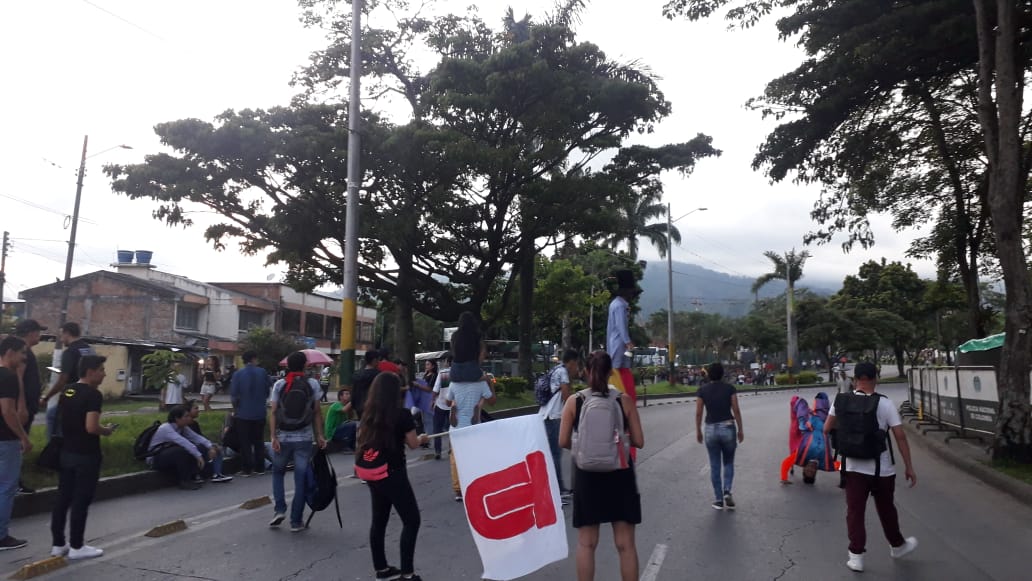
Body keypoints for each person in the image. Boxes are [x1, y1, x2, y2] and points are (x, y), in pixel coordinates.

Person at [824, 362, 918, 573]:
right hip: (881, 468)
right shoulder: (884, 404)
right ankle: (897, 546)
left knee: (855, 511)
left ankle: (856, 556)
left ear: (855, 379)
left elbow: (826, 428)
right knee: (886, 509)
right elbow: (900, 436)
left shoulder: (841, 401)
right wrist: (909, 466)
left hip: (852, 467)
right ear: (876, 378)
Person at [558, 351, 644, 581]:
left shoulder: (574, 401)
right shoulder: (623, 400)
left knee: (587, 543)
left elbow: (563, 440)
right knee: (625, 545)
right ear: (610, 373)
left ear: (586, 372)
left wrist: (584, 449)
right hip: (620, 475)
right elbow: (639, 441)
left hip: (586, 476)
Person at [358, 372, 429, 581]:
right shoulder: (402, 415)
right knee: (411, 520)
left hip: (372, 472)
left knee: (379, 520)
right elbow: (414, 443)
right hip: (393, 472)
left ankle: (381, 569)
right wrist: (422, 438)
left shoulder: (367, 413)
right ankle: (407, 574)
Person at [50, 355, 116, 560]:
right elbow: (91, 427)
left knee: (63, 498)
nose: (104, 373)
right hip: (86, 454)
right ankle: (78, 546)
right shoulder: (93, 395)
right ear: (90, 371)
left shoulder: (67, 390)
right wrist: (106, 431)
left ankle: (58, 544)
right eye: (102, 369)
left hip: (66, 452)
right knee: (81, 500)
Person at [268, 351, 327, 532]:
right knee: (300, 479)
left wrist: (273, 436)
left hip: (283, 437)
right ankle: (296, 521)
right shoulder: (312, 384)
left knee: (278, 473)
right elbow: (317, 412)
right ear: (305, 365)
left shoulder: (279, 384)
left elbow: (273, 412)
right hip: (304, 439)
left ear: (287, 366)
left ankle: (279, 509)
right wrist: (319, 435)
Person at [445, 345, 495, 502]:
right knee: (474, 456)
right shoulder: (480, 384)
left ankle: (458, 489)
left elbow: (447, 402)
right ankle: (473, 484)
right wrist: (489, 382)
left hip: (456, 426)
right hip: (474, 427)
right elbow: (492, 401)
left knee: (455, 458)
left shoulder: (454, 384)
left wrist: (453, 402)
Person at [695, 362, 744, 510]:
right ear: (722, 374)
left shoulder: (702, 390)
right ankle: (727, 490)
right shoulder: (730, 389)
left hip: (710, 429)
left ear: (709, 375)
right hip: (728, 427)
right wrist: (740, 429)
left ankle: (718, 499)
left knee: (715, 465)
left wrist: (698, 430)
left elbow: (698, 412)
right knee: (728, 462)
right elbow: (736, 409)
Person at [149, 406, 232, 489]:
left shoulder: (183, 427)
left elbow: (197, 437)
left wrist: (210, 447)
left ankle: (196, 474)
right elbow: (183, 442)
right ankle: (184, 481)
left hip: (169, 454)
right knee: (181, 451)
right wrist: (198, 456)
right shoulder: (166, 428)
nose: (189, 418)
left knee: (200, 447)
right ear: (177, 418)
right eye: (186, 416)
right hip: (156, 458)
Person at [0, 336, 31, 551]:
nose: (24, 358)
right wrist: (23, 437)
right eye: (22, 353)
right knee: (6, 487)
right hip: (6, 440)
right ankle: (1, 536)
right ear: (10, 351)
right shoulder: (8, 377)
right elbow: (8, 412)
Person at [40, 322, 94, 440]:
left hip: (71, 394)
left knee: (53, 417)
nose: (61, 339)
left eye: (61, 335)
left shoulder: (69, 352)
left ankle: (53, 450)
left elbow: (63, 379)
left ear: (67, 333)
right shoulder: (88, 349)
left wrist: (46, 397)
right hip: (89, 394)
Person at [539, 348, 579, 501]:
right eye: (576, 365)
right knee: (555, 454)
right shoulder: (563, 373)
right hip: (553, 416)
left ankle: (557, 488)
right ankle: (558, 490)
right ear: (571, 362)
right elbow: (566, 396)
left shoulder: (556, 369)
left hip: (548, 415)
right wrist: (574, 413)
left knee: (553, 453)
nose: (576, 368)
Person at [14, 319, 46, 495]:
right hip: (22, 408)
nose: (39, 335)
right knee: (18, 444)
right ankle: (15, 481)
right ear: (31, 332)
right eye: (38, 331)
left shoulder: (23, 350)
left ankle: (15, 480)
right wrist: (21, 406)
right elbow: (18, 377)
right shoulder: (22, 350)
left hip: (27, 405)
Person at [230, 351, 270, 477]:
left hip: (243, 413)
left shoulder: (237, 374)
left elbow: (234, 396)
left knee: (245, 442)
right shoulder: (263, 372)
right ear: (254, 359)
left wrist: (236, 409)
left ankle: (247, 469)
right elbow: (267, 391)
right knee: (259, 440)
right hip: (259, 412)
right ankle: (260, 468)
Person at [607, 270, 640, 404]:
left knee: (624, 368)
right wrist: (628, 342)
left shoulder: (617, 304)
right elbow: (621, 326)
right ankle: (621, 398)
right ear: (626, 291)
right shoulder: (620, 306)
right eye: (631, 292)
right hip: (619, 345)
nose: (632, 295)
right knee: (618, 370)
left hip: (618, 344)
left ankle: (625, 396)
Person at [794, 392, 834, 484]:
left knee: (799, 402)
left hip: (808, 424)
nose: (811, 469)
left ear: (804, 469)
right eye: (812, 472)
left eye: (808, 471)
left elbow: (786, 462)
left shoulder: (801, 455)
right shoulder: (825, 460)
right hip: (823, 421)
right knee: (822, 397)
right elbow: (841, 466)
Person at [448, 312, 486, 383]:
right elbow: (483, 352)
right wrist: (477, 365)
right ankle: (493, 394)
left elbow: (453, 351)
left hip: (455, 372)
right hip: (471, 369)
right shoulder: (477, 334)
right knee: (488, 379)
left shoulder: (454, 335)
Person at [779, 396, 808, 484]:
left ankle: (793, 468)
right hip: (798, 430)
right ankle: (784, 477)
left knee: (796, 451)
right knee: (800, 452)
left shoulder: (794, 407)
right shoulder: (800, 408)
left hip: (794, 430)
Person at [429, 355, 452, 460]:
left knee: (437, 429)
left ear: (447, 361)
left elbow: (436, 389)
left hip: (441, 404)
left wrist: (432, 401)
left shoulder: (443, 373)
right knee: (452, 428)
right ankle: (452, 448)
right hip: (453, 406)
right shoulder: (458, 373)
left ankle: (437, 451)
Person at [351, 350, 382, 421]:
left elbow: (354, 393)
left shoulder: (356, 375)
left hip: (359, 408)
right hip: (374, 409)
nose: (379, 362)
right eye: (378, 360)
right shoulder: (379, 375)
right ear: (374, 360)